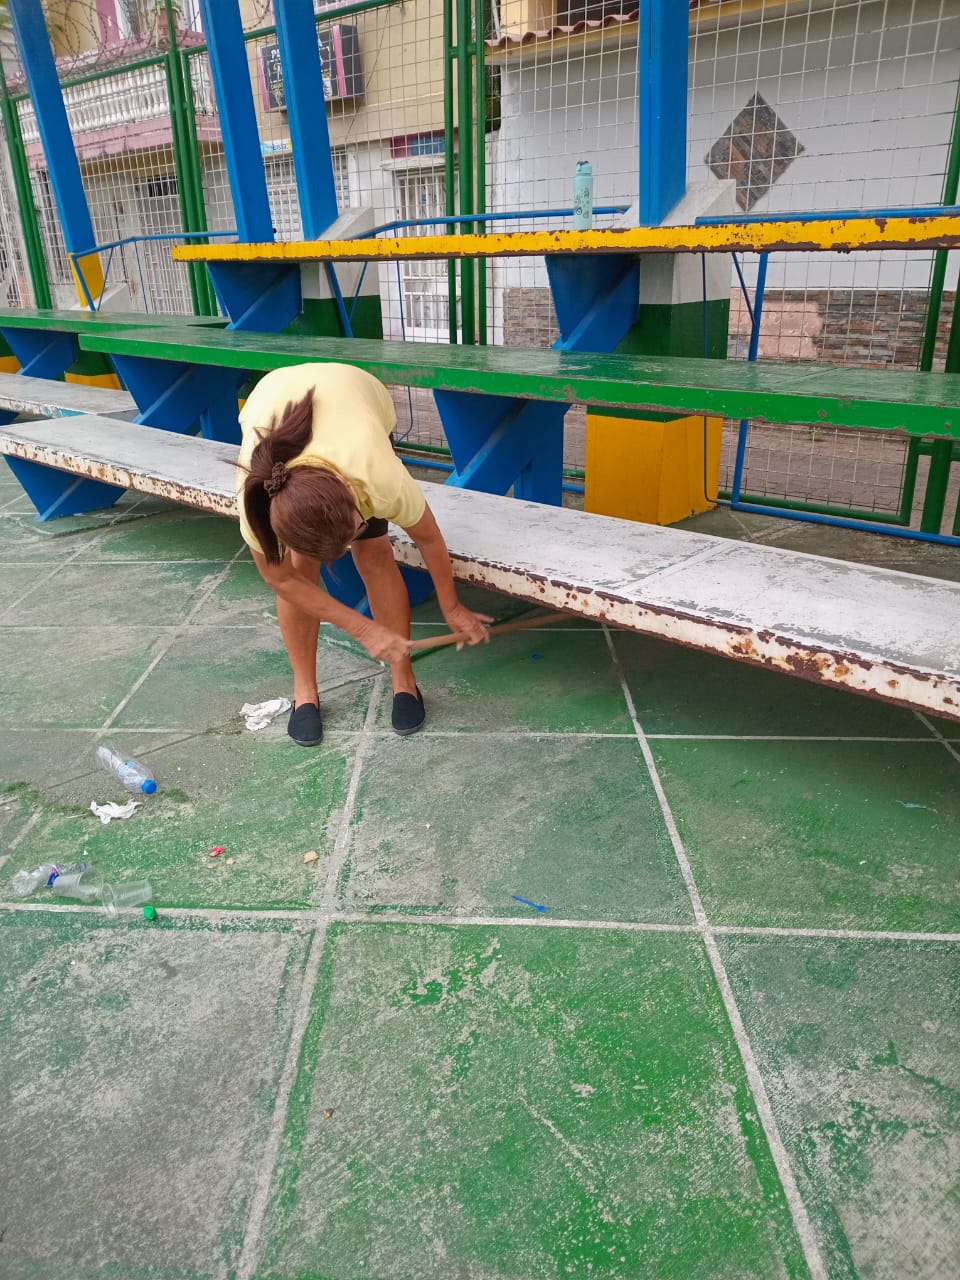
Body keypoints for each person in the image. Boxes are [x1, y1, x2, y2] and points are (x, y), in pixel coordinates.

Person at [237, 362, 491, 746]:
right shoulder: (256, 500)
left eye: (355, 525)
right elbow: (280, 579)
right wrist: (363, 628)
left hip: (355, 391)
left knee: (373, 552)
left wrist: (451, 606)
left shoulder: (377, 474)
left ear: (347, 487)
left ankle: (404, 679)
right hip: (271, 395)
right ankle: (304, 691)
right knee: (300, 571)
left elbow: (429, 538)